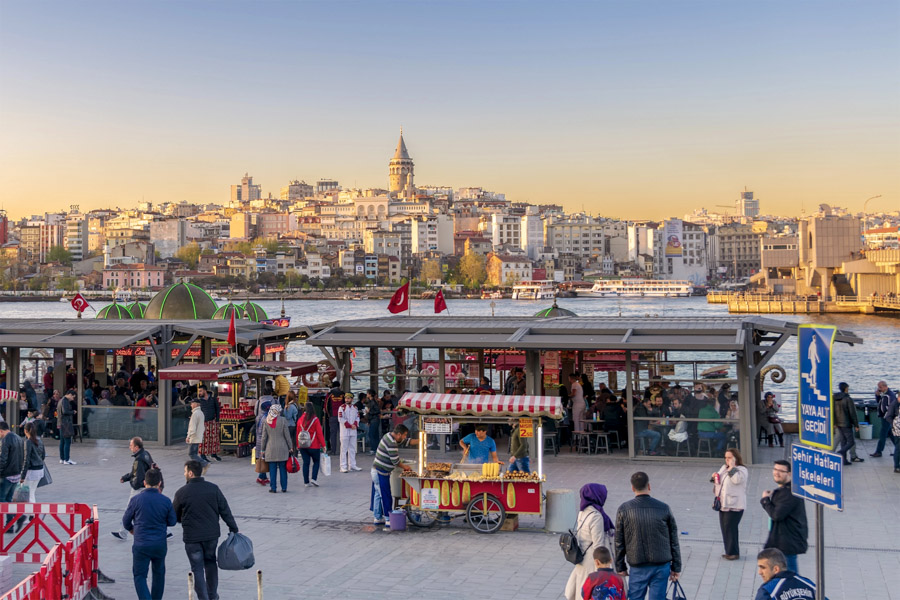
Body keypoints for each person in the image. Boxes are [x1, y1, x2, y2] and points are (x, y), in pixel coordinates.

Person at [173, 460, 240, 600]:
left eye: (185, 471)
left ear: (190, 473)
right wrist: (233, 528)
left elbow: (175, 516)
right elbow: (225, 510)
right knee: (210, 563)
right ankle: (212, 595)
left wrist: (182, 519)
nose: (184, 474)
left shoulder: (181, 492)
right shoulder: (213, 488)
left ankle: (203, 597)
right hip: (211, 536)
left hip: (192, 538)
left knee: (197, 568)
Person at [614, 472, 681, 600]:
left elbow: (619, 541)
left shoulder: (624, 509)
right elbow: (673, 540)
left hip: (637, 564)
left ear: (632, 488)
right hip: (661, 564)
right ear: (649, 486)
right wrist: (676, 567)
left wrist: (620, 566)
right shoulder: (664, 508)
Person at [123, 468, 176, 600]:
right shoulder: (165, 501)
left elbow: (125, 520)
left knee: (140, 575)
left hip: (141, 543)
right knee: (159, 574)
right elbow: (172, 521)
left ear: (144, 482)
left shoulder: (136, 500)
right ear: (159, 483)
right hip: (159, 544)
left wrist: (131, 529)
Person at [564, 483, 616, 600]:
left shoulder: (582, 512)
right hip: (593, 561)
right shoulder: (597, 516)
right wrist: (603, 566)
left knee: (582, 591)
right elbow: (598, 545)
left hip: (582, 558)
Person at [761, 459, 808, 574]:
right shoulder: (786, 490)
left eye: (781, 471)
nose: (777, 473)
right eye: (775, 469)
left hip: (787, 543)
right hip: (784, 542)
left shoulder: (789, 493)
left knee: (790, 576)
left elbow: (776, 515)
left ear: (789, 474)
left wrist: (765, 500)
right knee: (785, 575)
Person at [113, 437, 156, 540]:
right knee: (153, 509)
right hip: (148, 486)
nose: (129, 448)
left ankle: (123, 533)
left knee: (129, 509)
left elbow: (137, 476)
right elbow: (136, 472)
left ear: (136, 447)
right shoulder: (146, 454)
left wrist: (133, 484)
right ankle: (167, 532)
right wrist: (126, 478)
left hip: (139, 488)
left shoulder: (138, 460)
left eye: (131, 446)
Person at [371, 425, 412, 529]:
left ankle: (377, 517)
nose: (404, 437)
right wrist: (405, 467)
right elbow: (396, 461)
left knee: (378, 494)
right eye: (404, 435)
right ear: (398, 434)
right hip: (380, 471)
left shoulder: (388, 435)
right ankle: (388, 519)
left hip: (376, 469)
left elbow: (404, 441)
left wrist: (420, 440)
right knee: (386, 495)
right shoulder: (391, 443)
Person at [712, 447, 748, 560]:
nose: (727, 460)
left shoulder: (742, 470)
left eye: (730, 458)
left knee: (730, 528)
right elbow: (719, 481)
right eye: (726, 458)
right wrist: (714, 477)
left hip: (735, 504)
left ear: (736, 458)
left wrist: (732, 467)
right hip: (723, 503)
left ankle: (734, 552)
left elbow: (736, 480)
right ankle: (728, 551)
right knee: (724, 528)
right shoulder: (724, 468)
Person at [755, 548, 823, 600]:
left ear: (776, 569)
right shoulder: (809, 585)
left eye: (763, 568)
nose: (759, 572)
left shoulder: (768, 590)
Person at [259, 404, 293, 493]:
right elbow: (287, 435)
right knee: (282, 468)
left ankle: (273, 488)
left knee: (272, 469)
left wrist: (262, 449)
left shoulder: (267, 421)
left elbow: (264, 437)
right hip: (283, 448)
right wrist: (290, 447)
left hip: (270, 448)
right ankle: (284, 487)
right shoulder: (283, 420)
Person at [833, 382, 863, 465]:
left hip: (838, 423)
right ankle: (840, 452)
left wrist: (834, 422)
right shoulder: (848, 399)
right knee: (851, 442)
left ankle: (844, 460)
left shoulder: (834, 398)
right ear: (846, 388)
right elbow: (852, 413)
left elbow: (832, 411)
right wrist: (856, 425)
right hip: (846, 423)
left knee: (843, 441)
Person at [297, 402, 325, 487]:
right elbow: (319, 433)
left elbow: (297, 433)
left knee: (306, 463)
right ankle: (314, 478)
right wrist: (323, 445)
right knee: (316, 462)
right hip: (314, 445)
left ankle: (306, 482)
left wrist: (298, 445)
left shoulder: (300, 420)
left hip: (303, 445)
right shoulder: (315, 420)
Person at [870, 380, 897, 458]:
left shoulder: (889, 396)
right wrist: (877, 395)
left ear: (885, 386)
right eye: (878, 387)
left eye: (880, 387)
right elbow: (879, 402)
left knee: (883, 434)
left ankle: (879, 451)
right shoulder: (884, 394)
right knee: (891, 434)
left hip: (886, 418)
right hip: (884, 417)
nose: (879, 389)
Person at [0, 422, 24, 508]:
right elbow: (22, 456)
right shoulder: (18, 437)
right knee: (9, 499)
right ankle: (12, 519)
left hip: (7, 474)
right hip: (16, 473)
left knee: (2, 499)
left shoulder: (5, 440)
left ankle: (8, 519)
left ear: (1, 431)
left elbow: (3, 460)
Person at [20, 422, 44, 503]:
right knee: (32, 492)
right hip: (40, 469)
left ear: (25, 431)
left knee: (28, 493)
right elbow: (43, 456)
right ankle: (32, 513)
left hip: (31, 471)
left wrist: (22, 476)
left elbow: (26, 460)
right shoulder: (39, 440)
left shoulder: (28, 442)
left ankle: (32, 513)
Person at [337, 392, 361, 473]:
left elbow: (358, 417)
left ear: (352, 399)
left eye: (348, 398)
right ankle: (343, 466)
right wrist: (350, 425)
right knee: (343, 449)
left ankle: (352, 465)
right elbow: (340, 419)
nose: (347, 399)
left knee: (352, 448)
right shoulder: (342, 408)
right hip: (345, 431)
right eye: (346, 398)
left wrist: (355, 424)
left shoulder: (355, 408)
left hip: (353, 431)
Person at [198, 385, 221, 463]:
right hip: (203, 422)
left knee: (214, 438)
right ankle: (203, 455)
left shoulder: (213, 399)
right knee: (203, 439)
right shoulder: (199, 401)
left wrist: (217, 419)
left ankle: (213, 453)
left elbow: (217, 409)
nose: (199, 393)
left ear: (205, 391)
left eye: (200, 391)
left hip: (212, 421)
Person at [186, 397, 209, 475]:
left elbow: (192, 427)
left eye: (192, 403)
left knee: (191, 453)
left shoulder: (195, 414)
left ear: (196, 404)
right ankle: (197, 469)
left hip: (194, 437)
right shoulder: (200, 413)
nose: (191, 405)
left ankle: (204, 464)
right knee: (194, 453)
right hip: (198, 436)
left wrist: (188, 436)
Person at [254, 399, 272, 486]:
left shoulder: (259, 416)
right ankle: (261, 476)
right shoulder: (266, 418)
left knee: (262, 458)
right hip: (263, 441)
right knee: (264, 459)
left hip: (258, 440)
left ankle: (263, 476)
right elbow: (263, 431)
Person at [58, 390, 76, 465]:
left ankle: (62, 458)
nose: (73, 399)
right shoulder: (65, 401)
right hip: (65, 423)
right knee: (67, 441)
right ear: (69, 394)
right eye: (73, 397)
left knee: (62, 441)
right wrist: (73, 412)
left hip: (60, 423)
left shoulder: (60, 400)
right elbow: (65, 411)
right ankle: (67, 459)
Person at [364, 389, 381, 456]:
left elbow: (377, 411)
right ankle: (376, 448)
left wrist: (369, 412)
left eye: (367, 393)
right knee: (375, 434)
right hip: (374, 420)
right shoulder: (372, 402)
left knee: (371, 434)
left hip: (374, 420)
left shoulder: (372, 402)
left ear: (370, 394)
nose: (367, 394)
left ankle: (373, 449)